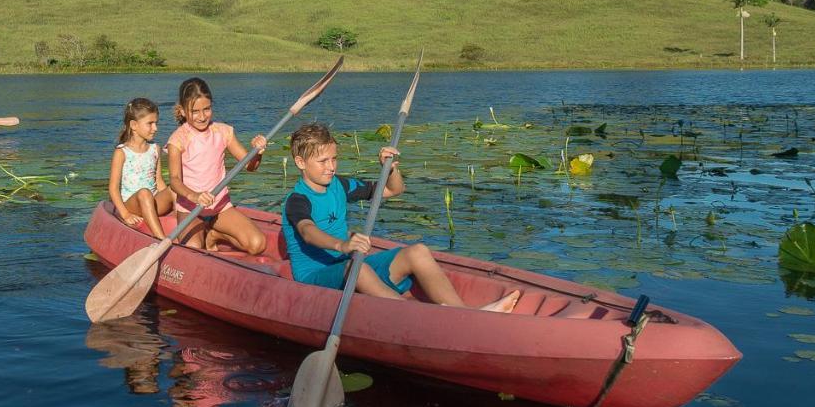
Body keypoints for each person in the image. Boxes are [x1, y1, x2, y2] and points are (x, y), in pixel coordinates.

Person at [282, 122, 519, 312]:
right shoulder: (297, 200)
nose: (331, 167)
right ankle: (420, 319)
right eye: (322, 161)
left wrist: (391, 169)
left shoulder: (339, 184)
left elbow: (392, 190)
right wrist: (342, 244)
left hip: (347, 265)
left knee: (417, 252)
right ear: (301, 162)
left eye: (334, 159)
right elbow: (307, 231)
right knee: (359, 268)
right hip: (314, 278)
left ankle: (466, 315)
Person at [166, 77, 268, 253]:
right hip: (191, 209)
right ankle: (201, 235)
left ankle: (213, 234)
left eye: (207, 109)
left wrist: (257, 154)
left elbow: (250, 167)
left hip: (221, 207)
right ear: (182, 111)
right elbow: (174, 181)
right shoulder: (178, 139)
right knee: (193, 249)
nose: (202, 116)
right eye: (195, 111)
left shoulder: (223, 131)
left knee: (257, 244)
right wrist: (195, 196)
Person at [108, 97, 175, 239]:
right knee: (144, 193)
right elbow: (113, 188)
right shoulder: (122, 152)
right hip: (133, 205)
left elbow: (159, 181)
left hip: (154, 202)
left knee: (174, 188)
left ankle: (178, 227)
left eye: (156, 123)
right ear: (134, 125)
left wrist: (171, 196)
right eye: (150, 123)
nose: (155, 128)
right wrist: (125, 214)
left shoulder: (155, 149)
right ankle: (161, 239)